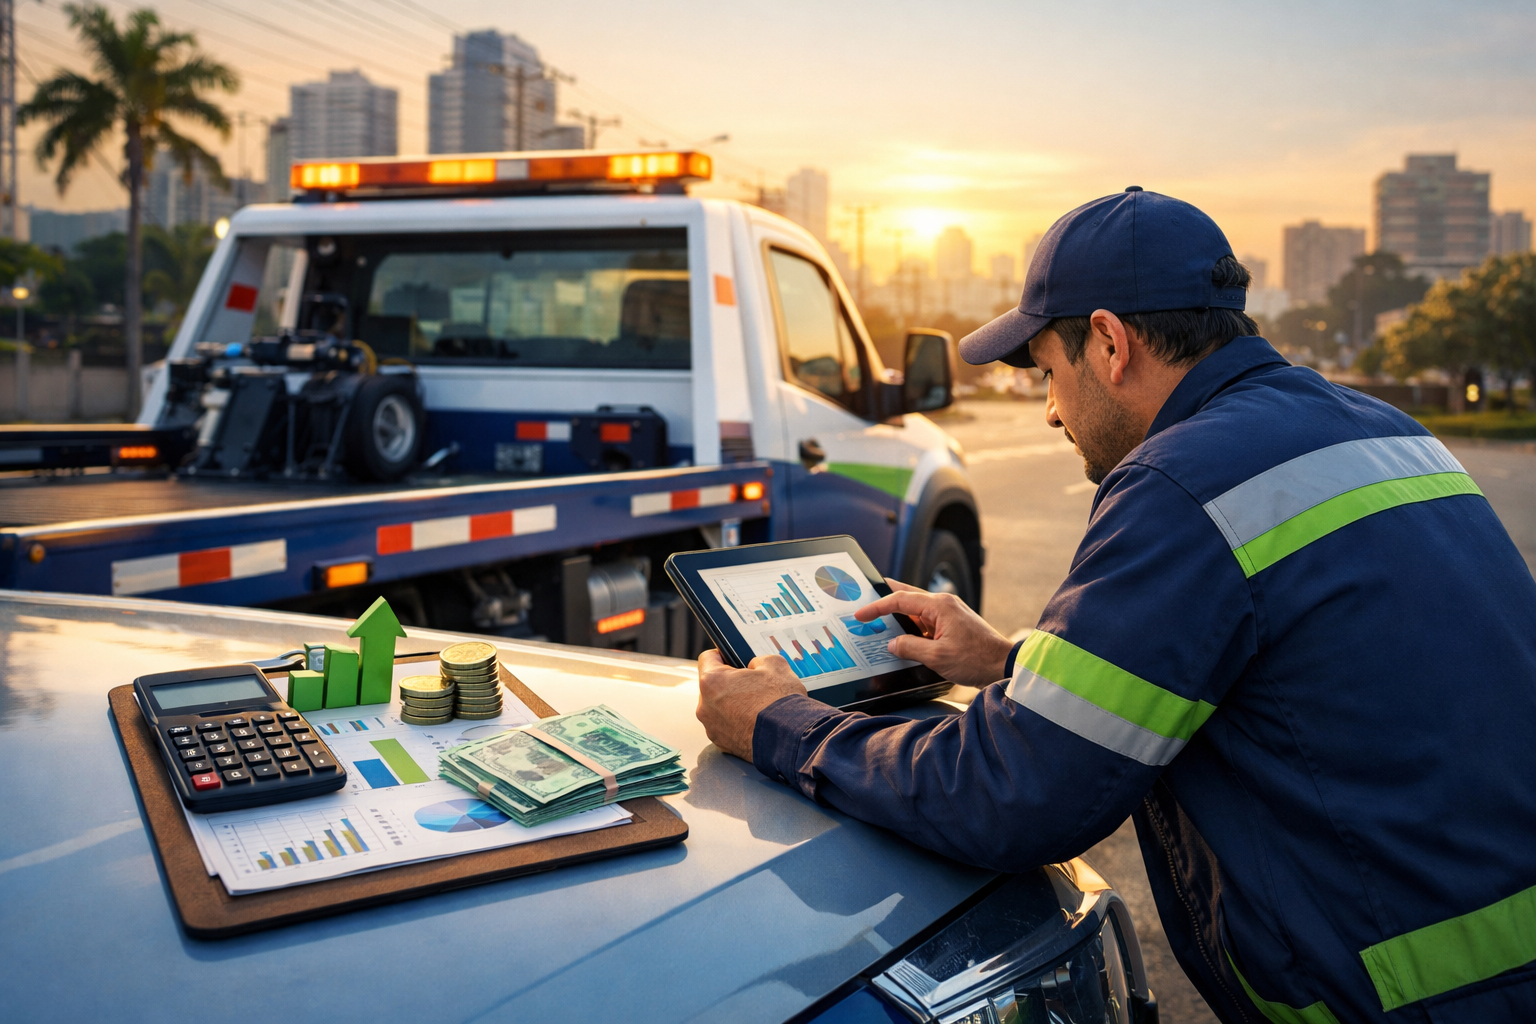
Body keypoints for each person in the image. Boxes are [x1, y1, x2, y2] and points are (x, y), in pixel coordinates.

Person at [696, 188, 1536, 1023]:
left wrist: (779, 723)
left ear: (1109, 343)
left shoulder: (1184, 479)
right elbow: (1283, 662)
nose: (1054, 410)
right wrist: (1011, 661)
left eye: (1049, 376)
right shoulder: (1378, 427)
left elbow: (1015, 792)